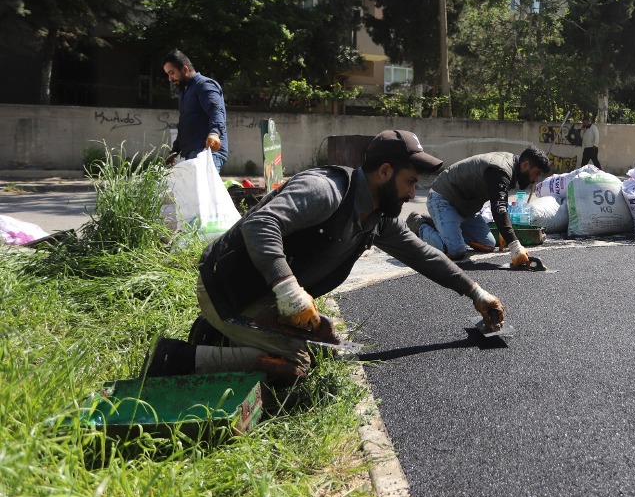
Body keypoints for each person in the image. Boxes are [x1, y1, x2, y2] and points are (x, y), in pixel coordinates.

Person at [140, 130, 506, 383]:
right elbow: (260, 224)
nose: (413, 193)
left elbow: (423, 255)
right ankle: (179, 358)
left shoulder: (378, 217)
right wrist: (288, 291)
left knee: (326, 342)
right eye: (411, 182)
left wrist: (476, 292)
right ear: (385, 172)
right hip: (226, 287)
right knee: (296, 365)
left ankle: (222, 338)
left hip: (261, 292)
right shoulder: (326, 191)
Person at [407, 146, 551, 266]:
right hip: (444, 199)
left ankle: (443, 226)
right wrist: (514, 244)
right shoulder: (500, 169)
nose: (535, 180)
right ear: (525, 165)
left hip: (466, 208)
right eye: (536, 174)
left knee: (488, 244)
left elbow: (499, 204)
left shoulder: (511, 167)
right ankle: (420, 225)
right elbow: (499, 207)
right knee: (455, 251)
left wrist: (505, 230)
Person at [162, 49, 229, 172]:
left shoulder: (205, 85)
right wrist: (175, 151)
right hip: (192, 153)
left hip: (208, 152)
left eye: (172, 73)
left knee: (203, 190)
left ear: (185, 69)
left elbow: (216, 111)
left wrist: (214, 133)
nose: (170, 78)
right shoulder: (185, 92)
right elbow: (184, 125)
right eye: (168, 74)